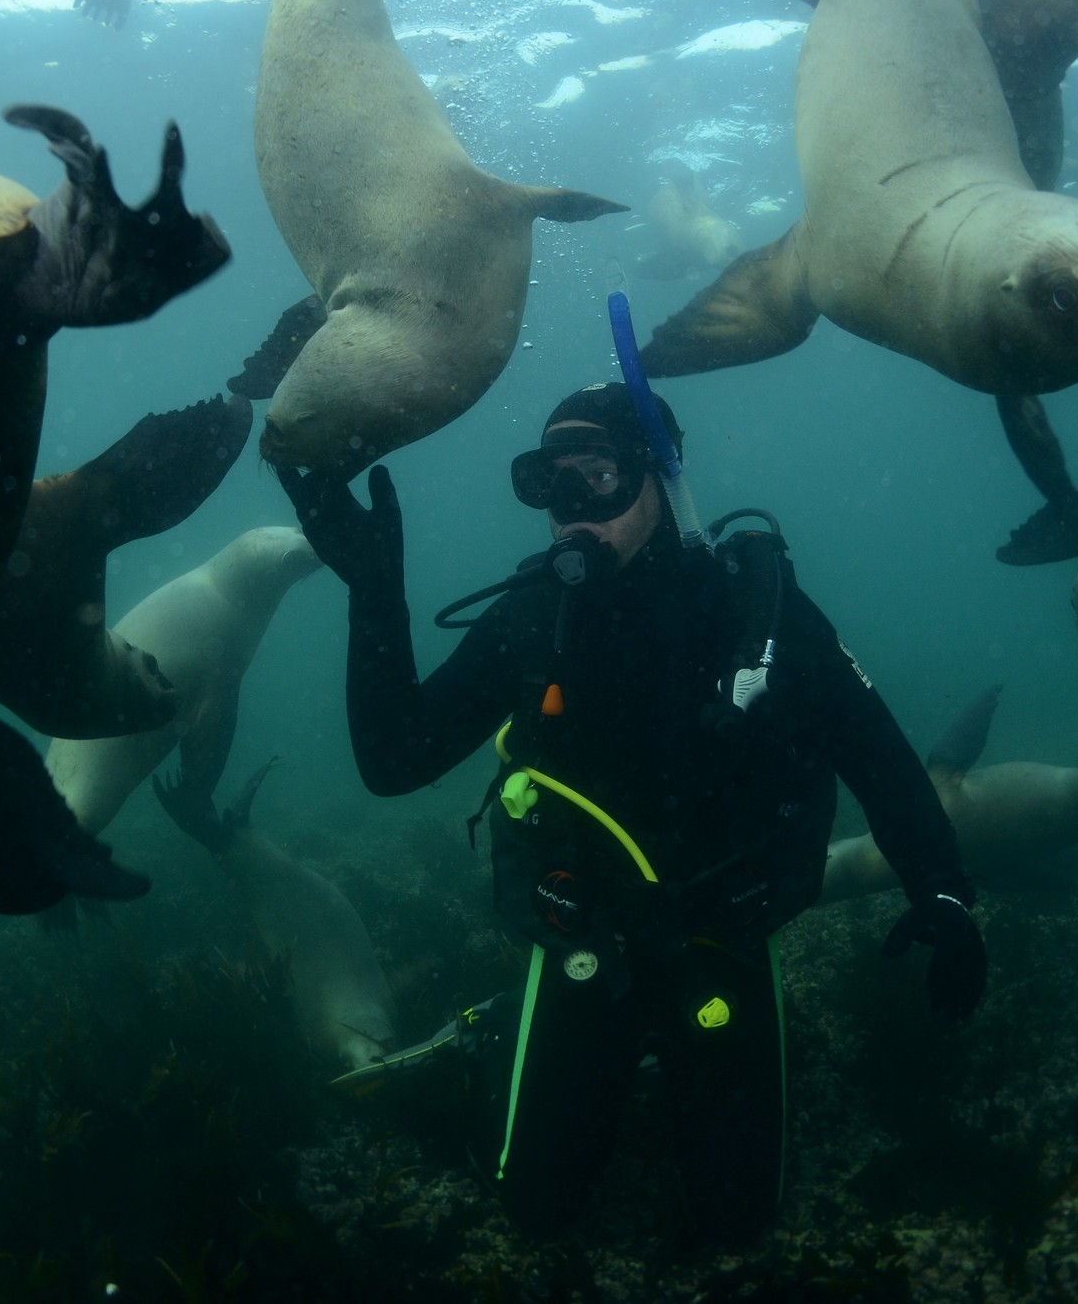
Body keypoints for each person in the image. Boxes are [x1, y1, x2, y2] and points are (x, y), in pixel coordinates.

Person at [281, 383, 985, 1243]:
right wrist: (371, 589)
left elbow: (881, 762)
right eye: (551, 484)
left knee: (738, 1225)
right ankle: (497, 1033)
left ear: (661, 479)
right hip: (586, 942)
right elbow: (394, 763)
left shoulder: (755, 615)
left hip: (720, 940)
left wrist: (942, 893)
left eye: (600, 477)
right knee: (536, 1213)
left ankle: (540, 1035)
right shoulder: (537, 621)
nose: (573, 509)